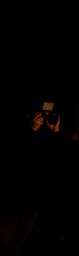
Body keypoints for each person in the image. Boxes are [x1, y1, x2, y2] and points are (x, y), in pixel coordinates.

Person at [0, 105, 63, 256]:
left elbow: (59, 158)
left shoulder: (45, 137)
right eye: (41, 114)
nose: (44, 118)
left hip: (33, 198)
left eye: (47, 115)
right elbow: (19, 154)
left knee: (22, 239)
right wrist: (32, 130)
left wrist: (55, 132)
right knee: (5, 240)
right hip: (14, 197)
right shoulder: (20, 132)